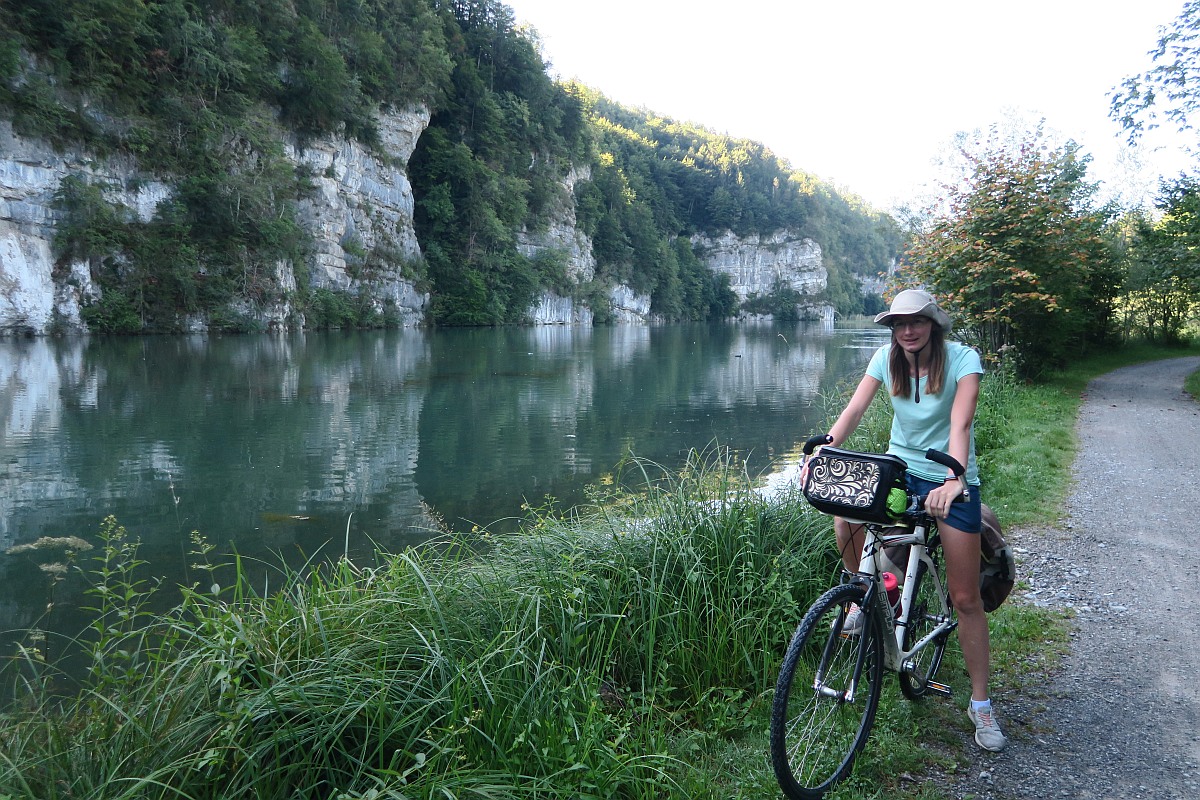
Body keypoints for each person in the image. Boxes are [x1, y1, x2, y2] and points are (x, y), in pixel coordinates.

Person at [818, 288, 1005, 753]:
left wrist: (954, 478)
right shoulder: (887, 358)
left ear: (933, 324)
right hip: (898, 471)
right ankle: (869, 596)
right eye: (899, 324)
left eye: (916, 322)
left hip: (949, 475)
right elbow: (856, 409)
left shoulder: (963, 359)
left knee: (964, 598)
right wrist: (824, 444)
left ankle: (980, 704)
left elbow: (960, 425)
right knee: (844, 514)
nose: (907, 330)